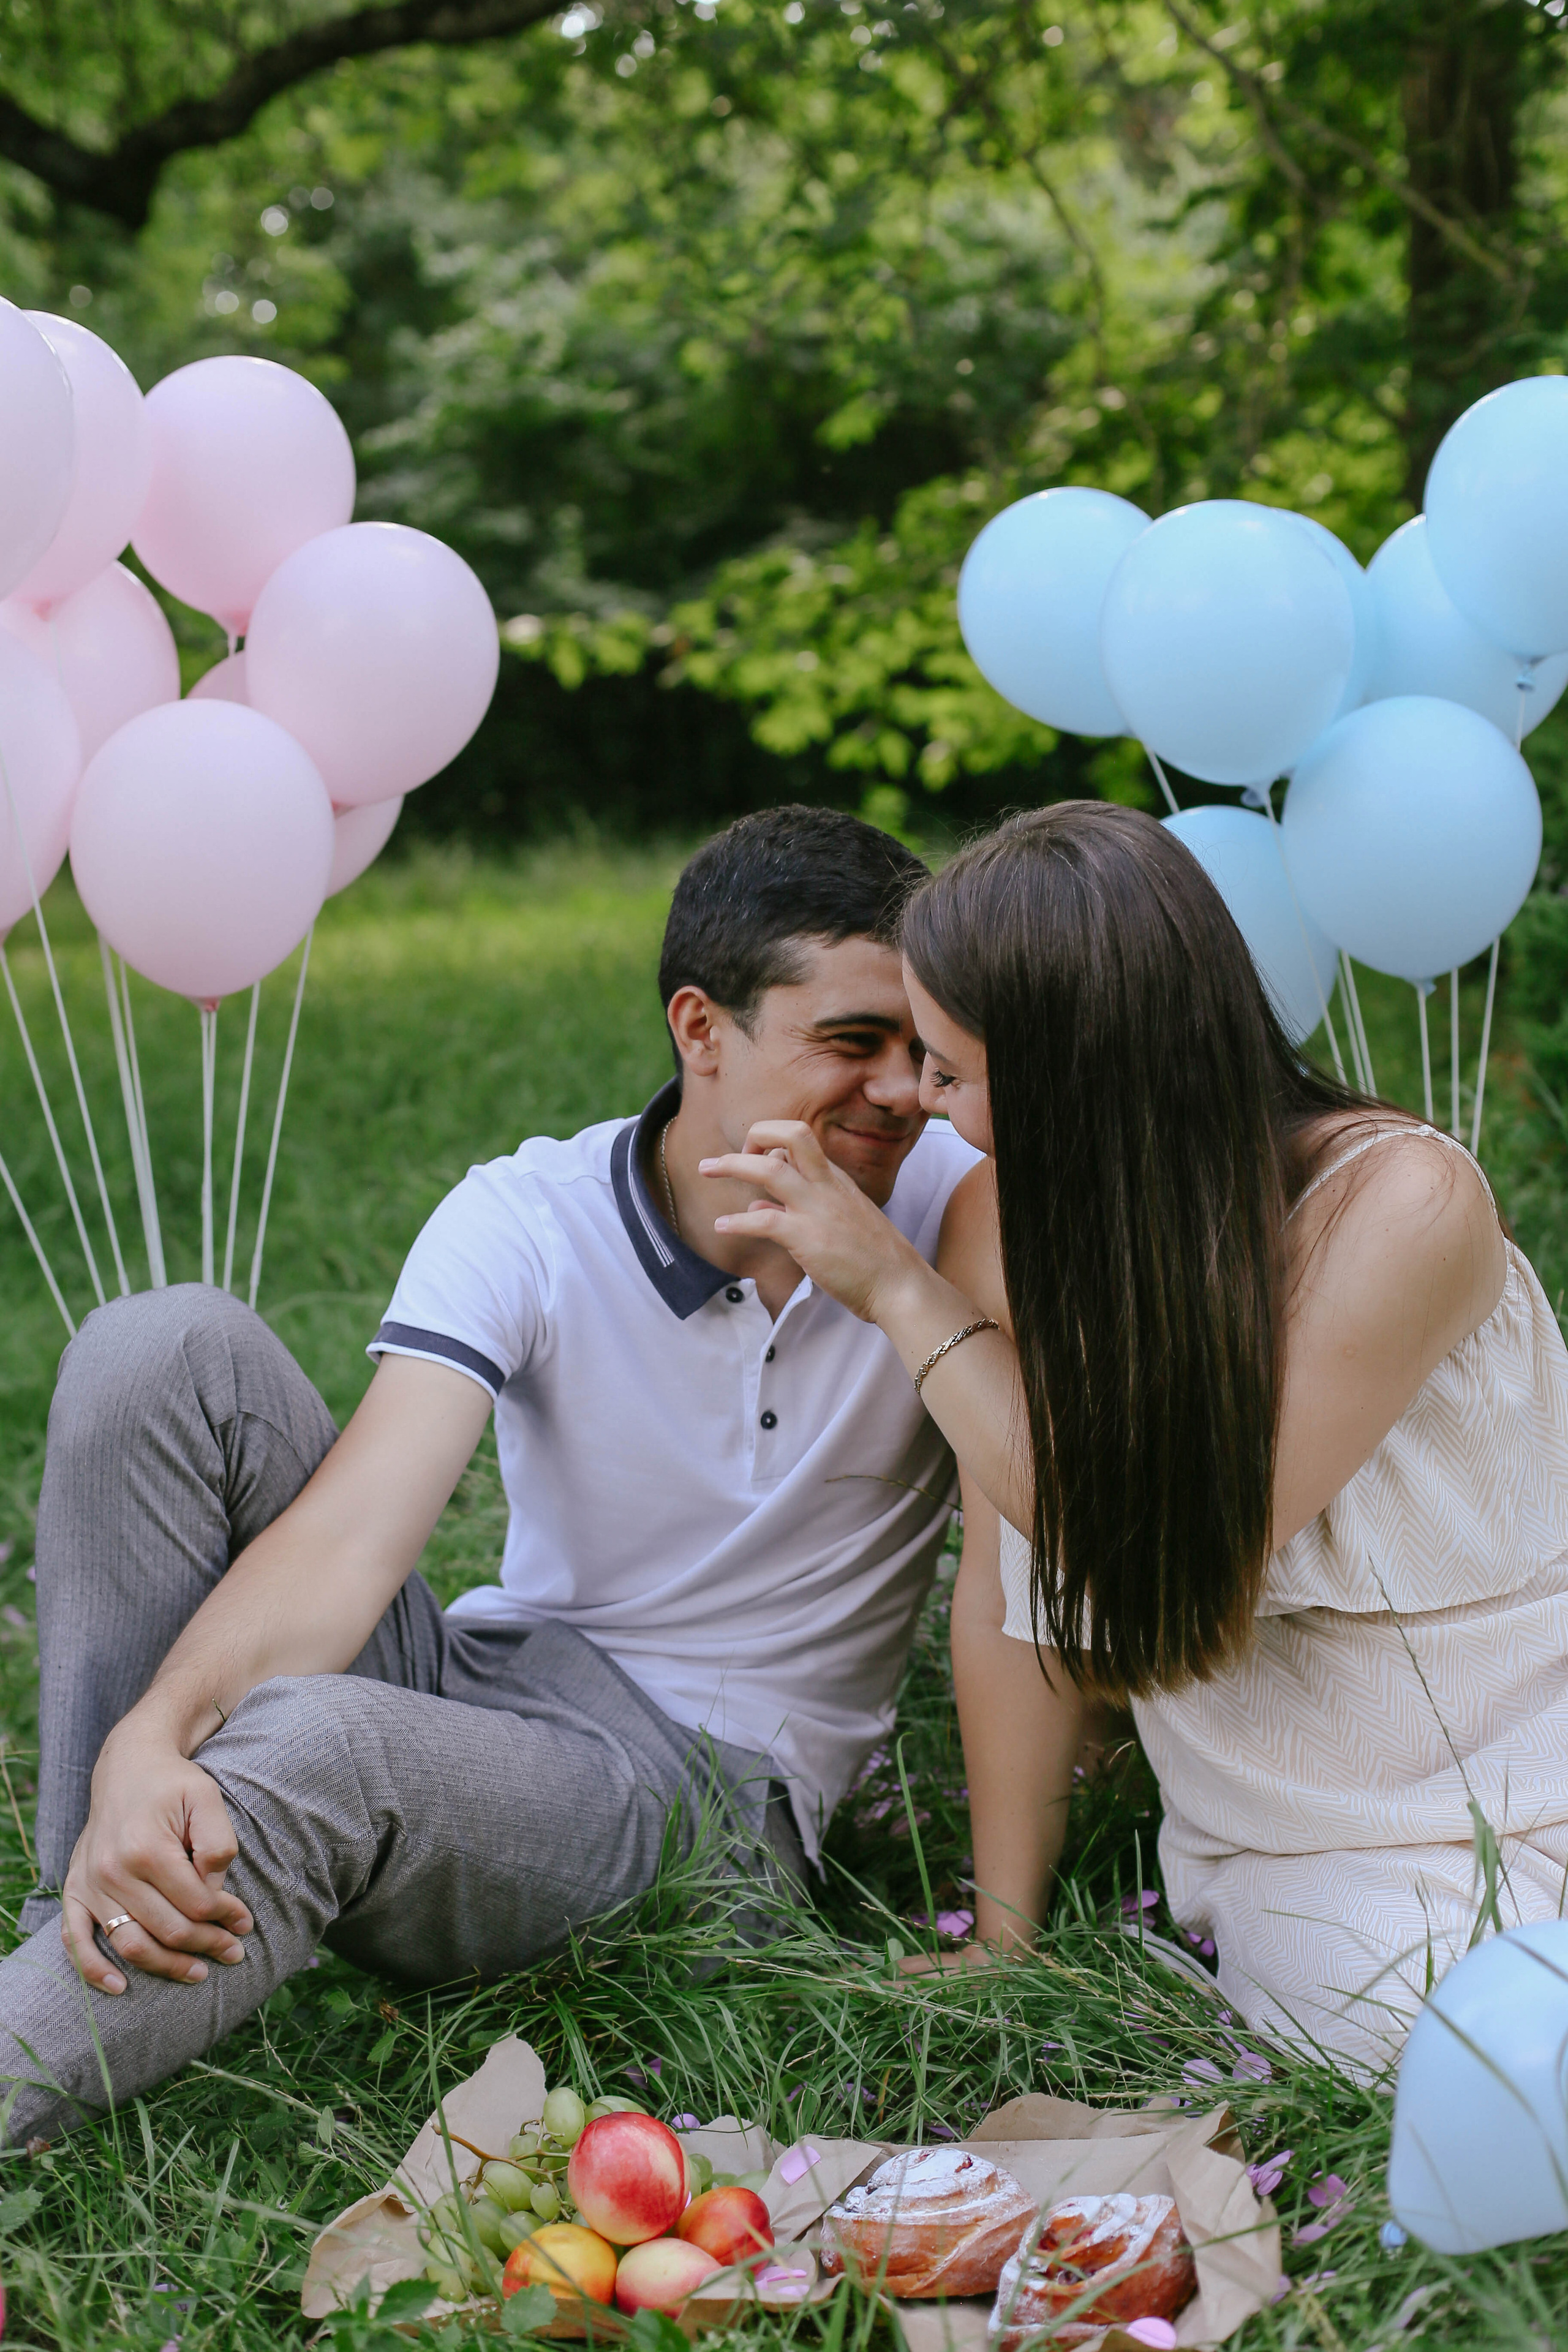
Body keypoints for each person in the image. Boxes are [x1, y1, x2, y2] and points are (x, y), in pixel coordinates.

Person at [0, 804, 981, 2144]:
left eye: (915, 1051)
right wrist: (150, 1735)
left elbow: (1057, 1516)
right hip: (501, 1687)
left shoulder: (951, 1204)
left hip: (707, 1794)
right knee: (156, 1347)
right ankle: (93, 1926)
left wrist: (894, 1286)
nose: (893, 1091)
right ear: (701, 1029)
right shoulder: (532, 1215)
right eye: (849, 1044)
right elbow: (354, 1539)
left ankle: (72, 2003)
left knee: (315, 1751)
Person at [699, 801, 1568, 2074]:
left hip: (1522, 1721)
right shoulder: (999, 1228)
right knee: (1431, 2043)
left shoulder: (1394, 1204)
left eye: (948, 1069)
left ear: (1068, 1067)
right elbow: (1013, 1592)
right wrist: (1004, 1926)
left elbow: (1179, 1547)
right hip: (1305, 1825)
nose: (917, 1101)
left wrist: (895, 1294)